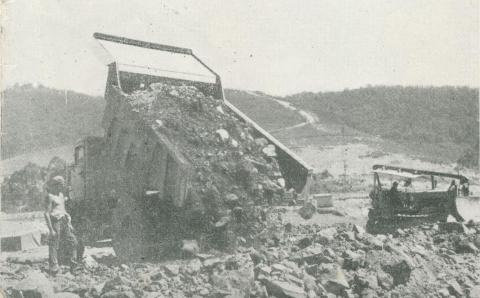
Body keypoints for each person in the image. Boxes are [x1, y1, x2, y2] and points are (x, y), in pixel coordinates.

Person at [44, 176, 78, 275]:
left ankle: (74, 266)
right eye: (61, 184)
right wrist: (51, 229)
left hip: (64, 221)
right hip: (55, 222)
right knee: (54, 244)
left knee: (73, 241)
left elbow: (63, 210)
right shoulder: (50, 196)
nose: (63, 186)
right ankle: (54, 268)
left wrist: (69, 222)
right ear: (56, 185)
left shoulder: (61, 195)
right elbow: (46, 213)